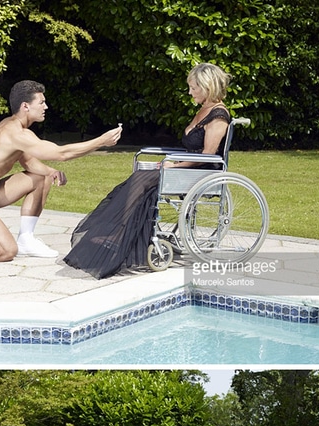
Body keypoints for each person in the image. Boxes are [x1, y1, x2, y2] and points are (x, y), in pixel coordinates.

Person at [63, 62, 231, 279]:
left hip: (200, 173)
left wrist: (176, 164)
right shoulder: (204, 110)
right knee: (141, 176)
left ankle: (118, 233)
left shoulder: (218, 115)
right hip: (185, 168)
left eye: (194, 87)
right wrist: (173, 162)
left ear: (208, 87)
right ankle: (119, 232)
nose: (190, 92)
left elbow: (207, 155)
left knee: (142, 179)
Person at [0, 80, 122, 263]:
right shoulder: (15, 133)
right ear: (26, 106)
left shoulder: (14, 126)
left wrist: (50, 171)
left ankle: (26, 239)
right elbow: (61, 153)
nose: (46, 107)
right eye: (41, 102)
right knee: (6, 251)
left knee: (41, 177)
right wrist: (100, 142)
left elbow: (28, 161)